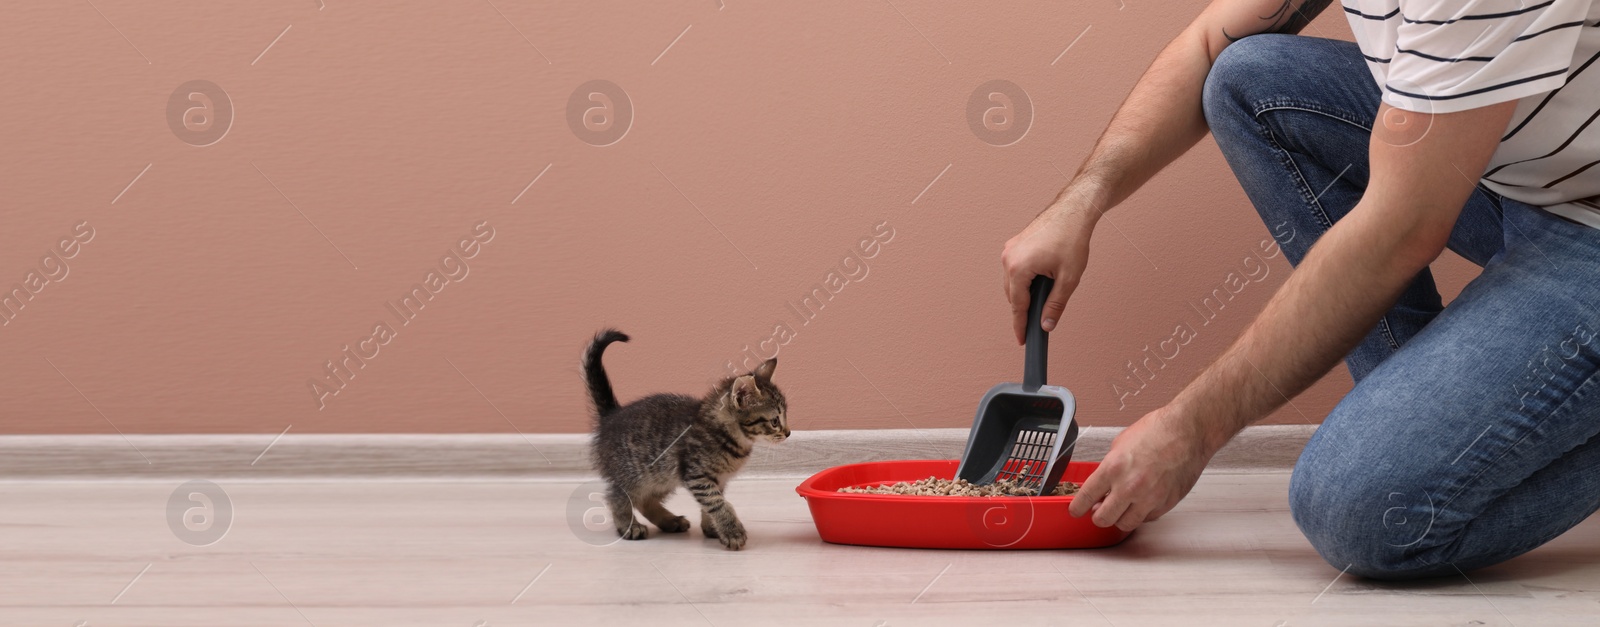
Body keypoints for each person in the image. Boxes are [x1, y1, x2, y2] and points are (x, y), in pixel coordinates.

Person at [1002, 0, 1600, 579]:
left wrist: (1190, 430)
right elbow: (1210, 42)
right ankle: (1434, 423)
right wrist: (1082, 202)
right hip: (1519, 174)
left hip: (1584, 226)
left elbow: (1400, 230)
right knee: (1248, 77)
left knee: (1359, 513)